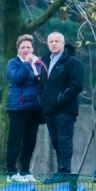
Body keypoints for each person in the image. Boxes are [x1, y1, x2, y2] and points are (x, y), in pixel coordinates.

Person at [40, 32, 83, 183]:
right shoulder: (44, 61)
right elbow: (42, 85)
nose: (53, 43)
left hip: (65, 110)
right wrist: (43, 101)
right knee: (56, 141)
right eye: (51, 41)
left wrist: (59, 100)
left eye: (57, 41)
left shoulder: (72, 62)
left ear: (63, 43)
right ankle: (61, 171)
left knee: (64, 140)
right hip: (49, 110)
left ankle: (65, 171)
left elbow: (76, 85)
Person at [5, 35, 44, 183]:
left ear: (33, 48)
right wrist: (27, 64)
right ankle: (11, 172)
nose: (26, 50)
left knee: (30, 141)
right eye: (23, 47)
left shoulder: (39, 63)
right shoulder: (13, 63)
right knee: (15, 141)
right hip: (18, 108)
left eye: (28, 47)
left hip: (34, 108)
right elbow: (17, 79)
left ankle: (25, 171)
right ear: (18, 49)